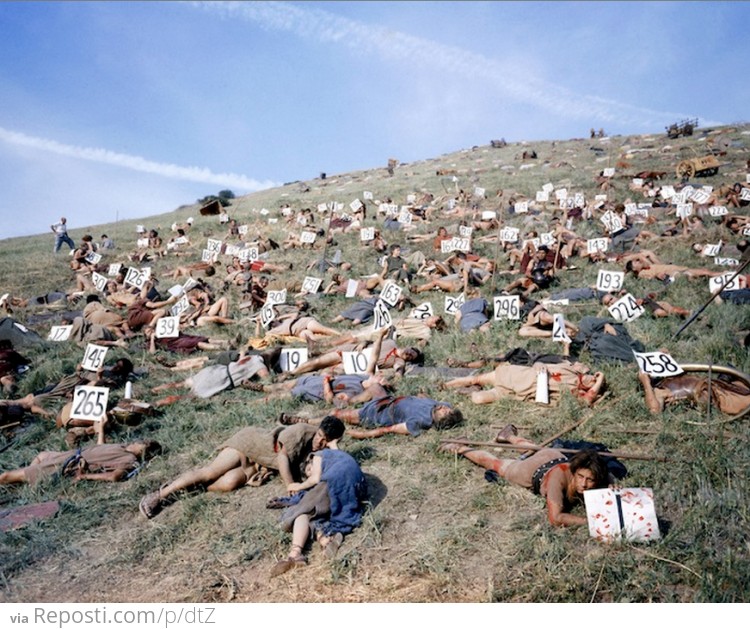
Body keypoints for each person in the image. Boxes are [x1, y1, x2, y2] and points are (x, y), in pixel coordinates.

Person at [138, 416, 346, 519]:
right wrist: (290, 485)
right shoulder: (301, 432)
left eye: (326, 441)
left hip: (261, 463)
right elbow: (283, 458)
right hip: (250, 445)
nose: (320, 442)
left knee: (229, 483)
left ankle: (193, 487)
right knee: (210, 472)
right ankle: (161, 494)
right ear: (317, 430)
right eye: (320, 436)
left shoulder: (325, 448)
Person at [439, 425, 610, 527]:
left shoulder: (597, 474)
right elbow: (555, 518)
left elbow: (608, 479)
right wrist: (589, 522)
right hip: (532, 471)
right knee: (498, 465)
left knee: (534, 449)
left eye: (590, 480)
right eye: (580, 477)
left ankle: (507, 435)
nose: (584, 484)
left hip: (553, 455)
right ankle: (460, 448)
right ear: (574, 472)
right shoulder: (558, 480)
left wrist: (613, 487)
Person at [269, 447, 367, 576]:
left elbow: (315, 479)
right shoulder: (339, 457)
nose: (310, 474)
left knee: (300, 512)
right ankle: (325, 538)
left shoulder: (317, 456)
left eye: (309, 470)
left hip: (336, 480)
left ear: (309, 462)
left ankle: (295, 553)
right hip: (358, 485)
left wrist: (298, 486)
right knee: (315, 514)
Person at [0, 416, 161, 485]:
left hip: (70, 463)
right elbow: (100, 448)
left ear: (144, 452)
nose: (141, 440)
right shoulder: (122, 446)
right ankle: (29, 481)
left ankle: (28, 477)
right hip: (71, 454)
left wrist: (84, 476)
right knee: (41, 455)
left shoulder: (129, 460)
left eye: (144, 444)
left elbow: (114, 476)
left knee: (7, 475)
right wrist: (101, 430)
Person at [443, 360, 605, 406]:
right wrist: (540, 366)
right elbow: (539, 363)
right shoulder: (569, 369)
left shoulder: (575, 392)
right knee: (476, 379)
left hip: (515, 393)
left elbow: (589, 399)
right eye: (593, 376)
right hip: (515, 375)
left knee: (478, 399)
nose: (592, 379)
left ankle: (468, 392)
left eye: (594, 382)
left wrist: (601, 378)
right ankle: (445, 386)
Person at [638, 369, 750, 416]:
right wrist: (645, 382)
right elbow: (654, 410)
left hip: (716, 385)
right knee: (745, 402)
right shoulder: (659, 390)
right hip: (716, 397)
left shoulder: (669, 377)